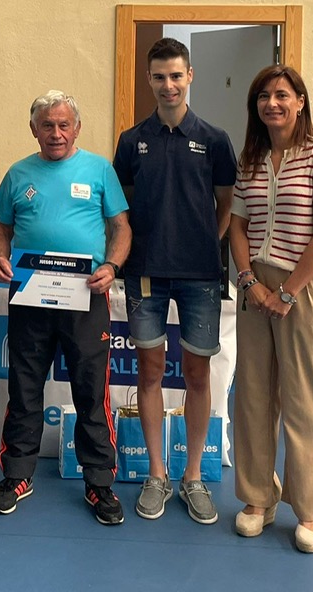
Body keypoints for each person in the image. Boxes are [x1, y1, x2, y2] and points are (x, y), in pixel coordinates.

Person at [0, 91, 132, 525]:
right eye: (47, 125)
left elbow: (121, 227)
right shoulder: (18, 174)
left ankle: (99, 483)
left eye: (64, 124)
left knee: (90, 390)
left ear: (77, 128)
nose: (56, 133)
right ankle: (17, 475)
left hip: (86, 296)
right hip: (30, 295)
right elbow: (0, 229)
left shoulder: (99, 170)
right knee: (24, 387)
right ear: (34, 129)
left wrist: (112, 265)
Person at [112, 38, 235, 524]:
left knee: (198, 375)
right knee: (149, 373)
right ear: (149, 80)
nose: (169, 85)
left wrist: (204, 243)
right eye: (160, 77)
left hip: (200, 276)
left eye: (176, 76)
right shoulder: (131, 141)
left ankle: (193, 477)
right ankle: (157, 474)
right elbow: (120, 209)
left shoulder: (215, 139)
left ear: (190, 77)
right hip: (145, 274)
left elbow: (226, 205)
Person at [228, 65, 313, 554]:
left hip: (307, 288)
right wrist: (249, 281)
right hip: (255, 286)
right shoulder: (251, 159)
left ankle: (310, 507)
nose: (271, 104)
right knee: (253, 395)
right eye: (263, 96)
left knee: (305, 398)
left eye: (281, 95)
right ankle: (258, 498)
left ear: (300, 101)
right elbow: (237, 226)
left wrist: (288, 293)